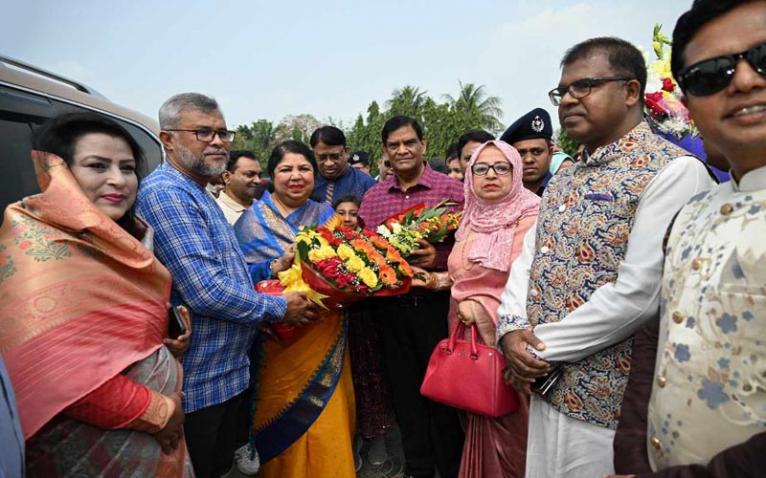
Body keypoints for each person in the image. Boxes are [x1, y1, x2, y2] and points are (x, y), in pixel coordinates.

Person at [496, 37, 715, 478]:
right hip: (547, 385)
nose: (569, 100)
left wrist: (537, 347)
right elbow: (529, 259)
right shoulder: (566, 174)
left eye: (587, 86)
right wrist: (510, 330)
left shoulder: (672, 171)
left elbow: (639, 295)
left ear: (632, 91)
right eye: (563, 92)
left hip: (611, 402)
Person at [610, 1, 766, 476]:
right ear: (688, 103)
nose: (743, 80)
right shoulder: (691, 214)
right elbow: (656, 344)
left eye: (763, 58)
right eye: (710, 74)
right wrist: (633, 455)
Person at [0, 112, 194, 476]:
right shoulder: (40, 252)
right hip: (93, 442)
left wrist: (160, 345)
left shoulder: (123, 239)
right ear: (60, 173)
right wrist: (159, 412)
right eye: (97, 166)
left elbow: (107, 335)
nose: (118, 180)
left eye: (127, 167)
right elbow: (57, 374)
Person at [136, 93, 317, 478]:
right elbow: (206, 291)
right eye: (203, 132)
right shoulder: (167, 194)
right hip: (200, 380)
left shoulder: (196, 191)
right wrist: (280, 307)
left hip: (226, 372)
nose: (218, 141)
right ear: (167, 139)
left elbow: (224, 273)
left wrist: (270, 265)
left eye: (222, 132)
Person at [234, 140, 355, 478]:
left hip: (324, 330)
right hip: (275, 336)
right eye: (286, 169)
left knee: (327, 414)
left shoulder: (328, 216)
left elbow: (351, 269)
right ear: (271, 176)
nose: (296, 176)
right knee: (279, 407)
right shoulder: (249, 223)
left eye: (304, 168)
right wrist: (274, 270)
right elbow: (236, 277)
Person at [419, 140, 540, 477]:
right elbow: (467, 273)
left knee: (512, 429)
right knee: (477, 411)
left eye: (501, 168)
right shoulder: (470, 217)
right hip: (466, 334)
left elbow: (527, 281)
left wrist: (480, 308)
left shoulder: (531, 214)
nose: (491, 175)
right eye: (480, 168)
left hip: (508, 340)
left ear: (516, 173)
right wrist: (439, 281)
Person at [359, 115, 465, 478]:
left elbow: (470, 250)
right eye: (394, 145)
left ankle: (451, 467)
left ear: (423, 144)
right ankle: (417, 467)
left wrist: (434, 259)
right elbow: (363, 251)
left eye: (409, 143)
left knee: (445, 392)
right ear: (385, 151)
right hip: (390, 310)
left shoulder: (452, 192)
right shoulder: (372, 199)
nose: (402, 150)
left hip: (436, 306)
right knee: (405, 394)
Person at [332, 194, 396, 468]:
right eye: (341, 213)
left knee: (369, 380)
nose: (347, 218)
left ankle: (376, 438)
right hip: (333, 325)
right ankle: (349, 440)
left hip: (366, 324)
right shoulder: (322, 245)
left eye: (353, 213)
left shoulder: (373, 244)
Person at [310, 126, 376, 203]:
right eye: (322, 157)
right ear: (313, 154)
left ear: (346, 152)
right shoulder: (306, 182)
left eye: (335, 156)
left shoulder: (366, 184)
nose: (329, 163)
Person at [500, 108, 555, 196]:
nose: (528, 160)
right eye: (521, 153)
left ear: (550, 153)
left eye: (536, 151)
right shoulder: (501, 195)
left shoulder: (567, 190)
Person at [215, 150, 262, 225]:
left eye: (259, 175)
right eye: (250, 174)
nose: (258, 181)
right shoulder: (214, 212)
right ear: (226, 177)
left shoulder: (267, 210)